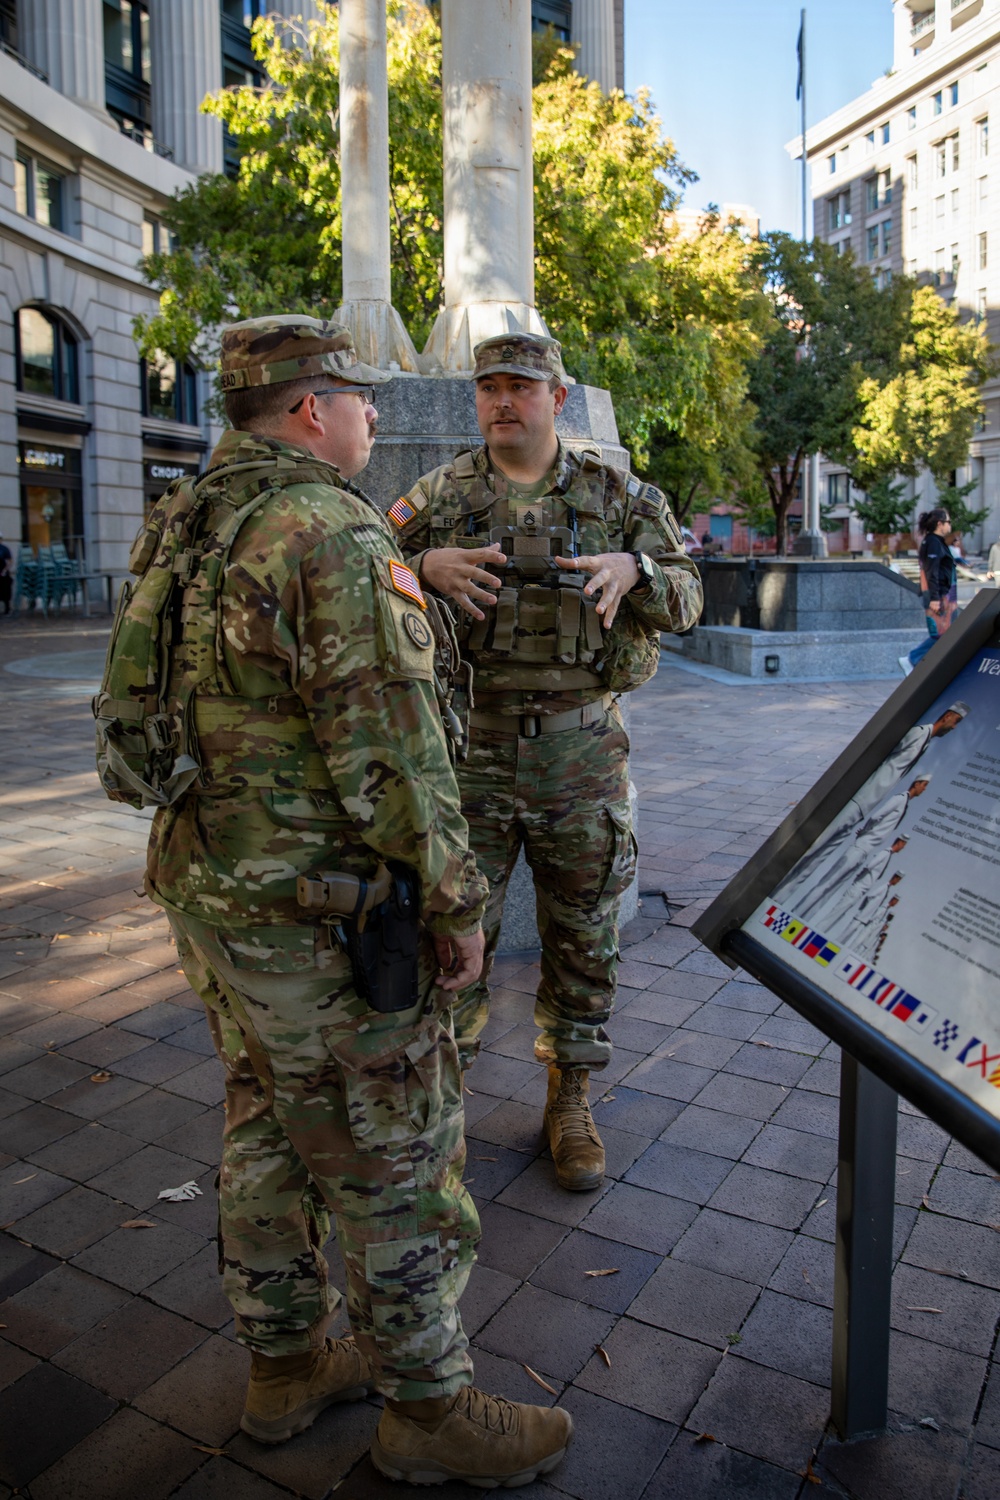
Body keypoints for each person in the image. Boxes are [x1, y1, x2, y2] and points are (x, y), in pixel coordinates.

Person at [139, 317, 572, 1488]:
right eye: (358, 396)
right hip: (326, 916)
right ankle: (426, 1410)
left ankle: (285, 1369)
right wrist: (459, 904)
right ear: (308, 408)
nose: (374, 414)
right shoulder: (327, 530)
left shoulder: (190, 518)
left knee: (267, 1128)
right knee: (395, 1151)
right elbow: (392, 756)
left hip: (214, 890)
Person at [392, 332, 702, 1192]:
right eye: (488, 386)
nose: (502, 401)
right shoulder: (441, 495)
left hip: (581, 752)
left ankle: (570, 1095)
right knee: (452, 936)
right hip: (471, 753)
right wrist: (419, 565)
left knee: (585, 933)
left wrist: (636, 568)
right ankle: (442, 1108)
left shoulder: (618, 496)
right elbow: (358, 576)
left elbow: (689, 597)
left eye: (520, 387)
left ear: (556, 399)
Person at [773, 704, 967, 903]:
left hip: (865, 807)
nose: (954, 728)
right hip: (860, 799)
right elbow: (880, 755)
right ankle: (768, 889)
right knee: (813, 849)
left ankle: (776, 900)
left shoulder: (925, 743)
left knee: (816, 859)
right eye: (956, 722)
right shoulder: (917, 733)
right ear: (948, 716)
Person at [902, 507, 956, 673]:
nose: (950, 525)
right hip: (937, 595)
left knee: (946, 633)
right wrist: (934, 598)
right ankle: (913, 658)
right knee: (942, 634)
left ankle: (920, 661)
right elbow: (931, 570)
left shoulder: (936, 542)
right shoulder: (933, 542)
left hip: (941, 594)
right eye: (948, 522)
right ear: (940, 524)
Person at [0, 532, 12, 616]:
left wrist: (5, 570)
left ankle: (7, 609)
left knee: (5, 591)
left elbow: (10, 561)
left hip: (3, 573)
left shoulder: (4, 549)